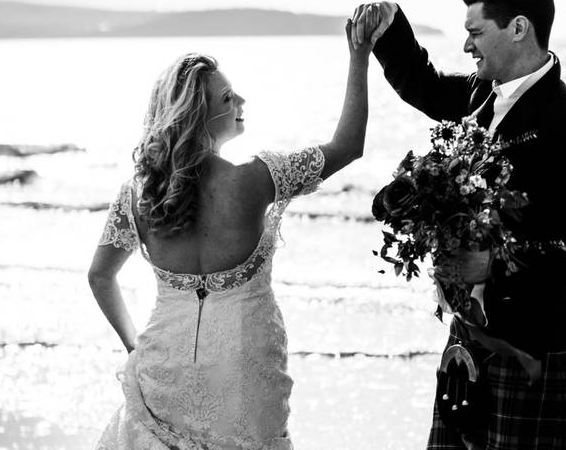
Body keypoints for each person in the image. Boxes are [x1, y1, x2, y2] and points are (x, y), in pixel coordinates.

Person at [351, 0, 566, 450]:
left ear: (518, 28)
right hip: (467, 338)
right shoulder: (480, 95)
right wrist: (390, 29)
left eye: (476, 33)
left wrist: (493, 264)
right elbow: (424, 85)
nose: (468, 47)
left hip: (532, 345)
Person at [88, 23, 373, 449]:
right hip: (243, 378)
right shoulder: (256, 180)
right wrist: (359, 55)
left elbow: (100, 276)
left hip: (162, 369)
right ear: (198, 117)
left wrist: (133, 346)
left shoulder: (139, 195)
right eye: (227, 98)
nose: (241, 101)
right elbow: (348, 145)